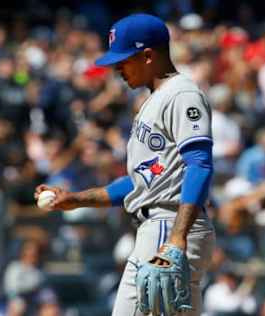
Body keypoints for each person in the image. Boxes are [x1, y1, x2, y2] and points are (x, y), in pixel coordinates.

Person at [35, 13, 215, 316]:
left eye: (124, 59)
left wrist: (176, 239)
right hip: (162, 225)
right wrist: (76, 199)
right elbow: (142, 181)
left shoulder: (181, 94)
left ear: (147, 56)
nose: (117, 68)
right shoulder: (155, 99)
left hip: (167, 225)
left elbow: (199, 164)